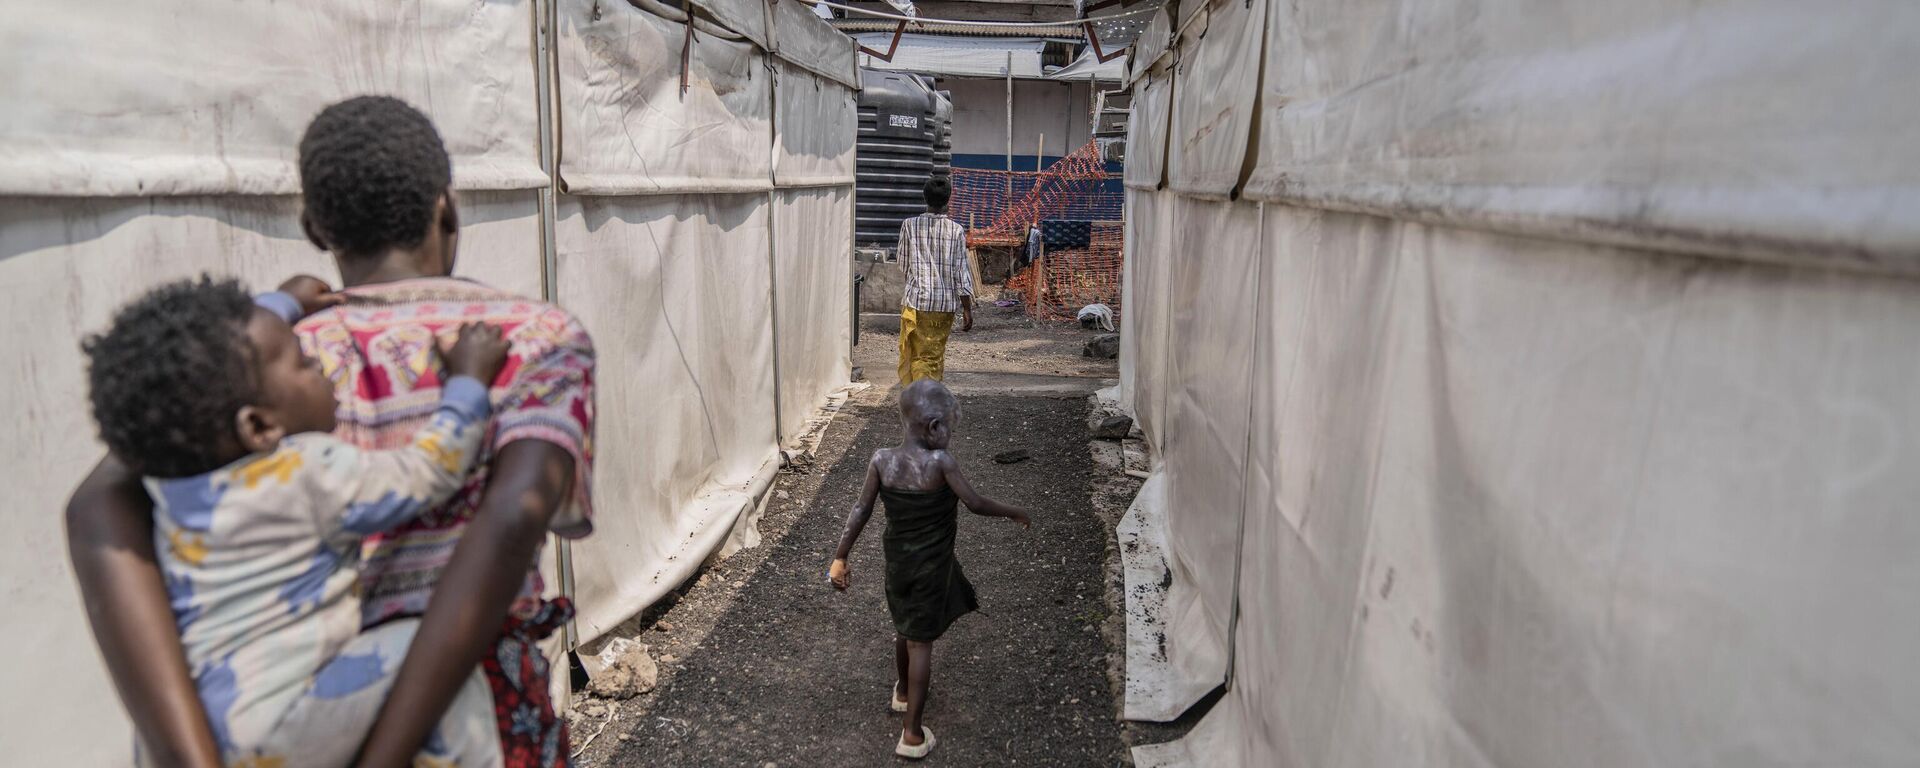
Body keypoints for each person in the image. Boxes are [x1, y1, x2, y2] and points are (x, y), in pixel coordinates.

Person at [64, 95, 597, 768]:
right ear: (448, 207)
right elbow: (516, 513)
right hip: (465, 707)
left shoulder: (251, 367)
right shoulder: (538, 339)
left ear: (314, 227)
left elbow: (97, 501)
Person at [82, 275, 510, 766]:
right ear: (260, 426)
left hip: (187, 733)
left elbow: (200, 365)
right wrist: (468, 383)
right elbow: (430, 470)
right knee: (435, 654)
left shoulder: (168, 496)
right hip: (281, 726)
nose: (322, 366)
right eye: (305, 363)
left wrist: (280, 304)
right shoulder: (308, 473)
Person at [827, 379, 1031, 759]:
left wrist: (840, 556)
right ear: (935, 427)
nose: (951, 436)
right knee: (922, 642)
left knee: (905, 628)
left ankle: (903, 693)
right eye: (951, 428)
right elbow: (975, 503)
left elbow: (861, 510)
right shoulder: (940, 463)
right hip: (931, 568)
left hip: (897, 565)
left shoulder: (881, 459)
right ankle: (912, 736)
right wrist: (1015, 511)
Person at [895, 177, 974, 385]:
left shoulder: (909, 226)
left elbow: (903, 265)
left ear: (925, 198)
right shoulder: (956, 230)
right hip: (944, 307)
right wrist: (967, 309)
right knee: (933, 357)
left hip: (915, 304)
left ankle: (918, 399)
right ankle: (926, 399)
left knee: (916, 355)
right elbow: (962, 274)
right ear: (948, 200)